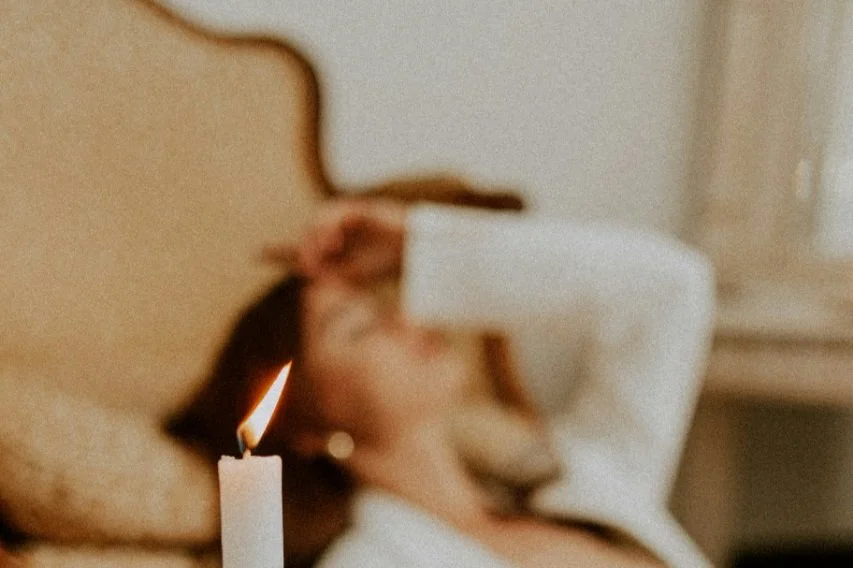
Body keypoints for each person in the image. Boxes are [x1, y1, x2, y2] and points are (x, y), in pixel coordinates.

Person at [171, 189, 715, 568]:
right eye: (359, 327)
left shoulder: (585, 479)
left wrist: (416, 252)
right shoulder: (372, 562)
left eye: (390, 301)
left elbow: (669, 289)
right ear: (305, 429)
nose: (405, 321)